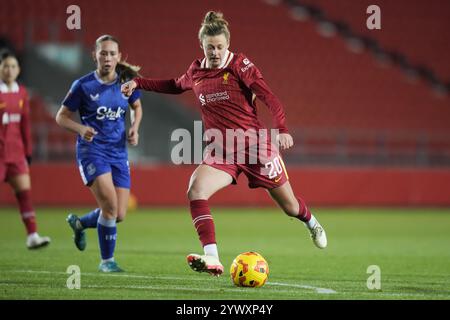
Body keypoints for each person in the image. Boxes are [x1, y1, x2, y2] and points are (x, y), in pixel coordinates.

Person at [121, 11, 327, 276]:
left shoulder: (240, 66)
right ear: (202, 46)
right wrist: (138, 82)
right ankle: (212, 258)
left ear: (227, 44)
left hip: (255, 147)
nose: (215, 52)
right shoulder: (196, 71)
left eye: (219, 47)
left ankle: (311, 222)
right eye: (210, 47)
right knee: (196, 190)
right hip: (221, 150)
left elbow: (270, 98)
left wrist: (282, 129)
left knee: (290, 207)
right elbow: (174, 84)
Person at [56, 35, 142, 272]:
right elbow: (61, 117)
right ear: (95, 55)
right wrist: (81, 128)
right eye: (103, 53)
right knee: (110, 208)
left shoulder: (126, 82)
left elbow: (137, 106)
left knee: (119, 214)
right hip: (92, 151)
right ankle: (107, 261)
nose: (108, 57)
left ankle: (81, 223)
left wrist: (134, 127)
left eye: (112, 53)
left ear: (118, 56)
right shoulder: (82, 86)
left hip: (118, 152)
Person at [0, 51, 51, 249]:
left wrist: (28, 151)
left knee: (24, 194)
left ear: (18, 69)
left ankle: (32, 236)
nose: (9, 70)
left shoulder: (22, 92)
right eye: (5, 66)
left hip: (16, 152)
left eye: (13, 66)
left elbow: (25, 124)